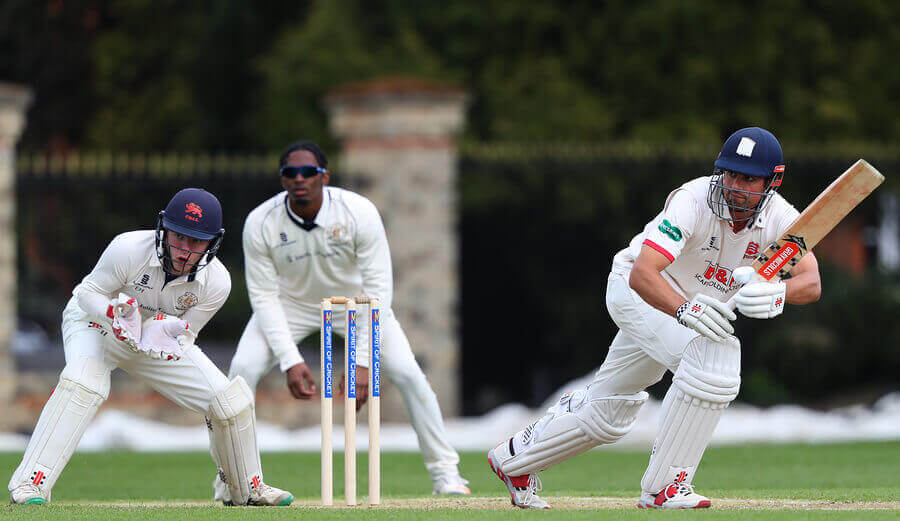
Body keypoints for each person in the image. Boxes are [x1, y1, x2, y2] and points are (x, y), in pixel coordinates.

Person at [487, 127, 822, 509]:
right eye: (730, 173)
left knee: (610, 408)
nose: (735, 186)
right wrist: (686, 308)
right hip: (639, 293)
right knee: (714, 356)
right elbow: (643, 273)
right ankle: (665, 486)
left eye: (748, 178)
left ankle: (514, 459)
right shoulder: (692, 200)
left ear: (772, 181)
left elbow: (810, 282)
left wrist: (776, 292)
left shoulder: (781, 218)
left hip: (685, 309)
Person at [212, 141, 469, 501]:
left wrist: (362, 361)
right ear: (282, 179)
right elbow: (264, 297)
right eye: (290, 173)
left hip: (360, 306)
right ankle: (231, 480)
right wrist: (291, 360)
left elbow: (379, 289)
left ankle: (446, 474)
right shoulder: (261, 221)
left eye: (308, 173)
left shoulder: (357, 212)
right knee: (242, 370)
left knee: (409, 375)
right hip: (291, 305)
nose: (299, 179)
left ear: (324, 177)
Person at [8, 188, 293, 507]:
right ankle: (30, 485)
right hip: (96, 324)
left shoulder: (217, 283)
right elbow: (88, 292)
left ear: (213, 243)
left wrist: (167, 334)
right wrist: (113, 314)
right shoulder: (128, 248)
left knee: (228, 402)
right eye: (179, 237)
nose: (185, 250)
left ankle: (245, 489)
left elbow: (188, 334)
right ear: (164, 229)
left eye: (197, 241)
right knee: (83, 383)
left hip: (151, 342)